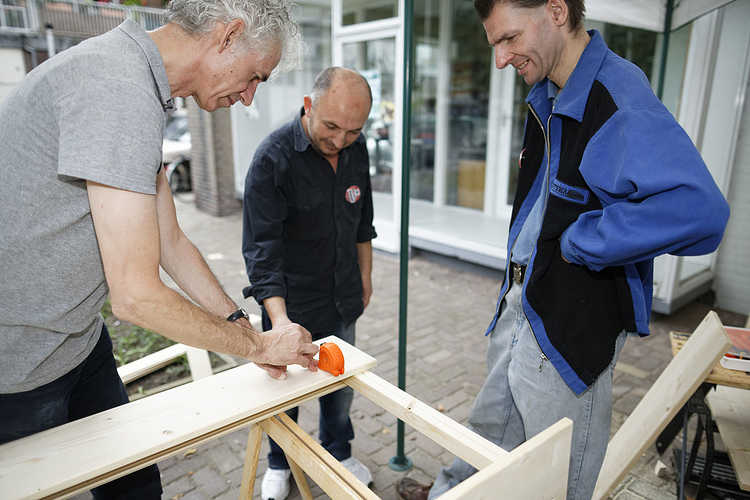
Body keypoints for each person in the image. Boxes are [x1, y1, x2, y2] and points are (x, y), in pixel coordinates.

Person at [396, 1, 730, 499]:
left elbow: (700, 211)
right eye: (495, 44)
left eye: (508, 39)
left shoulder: (617, 98)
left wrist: (585, 241)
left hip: (569, 325)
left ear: (555, 11)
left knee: (558, 476)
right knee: (491, 427)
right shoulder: (550, 88)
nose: (501, 59)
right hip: (521, 300)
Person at [0, 1, 319, 498]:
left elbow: (170, 241)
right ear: (228, 36)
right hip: (19, 361)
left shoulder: (138, 81)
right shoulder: (117, 89)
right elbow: (136, 297)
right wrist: (258, 347)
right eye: (256, 75)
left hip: (78, 342)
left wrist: (243, 329)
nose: (251, 95)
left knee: (135, 488)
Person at [242, 66, 377, 500]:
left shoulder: (359, 151)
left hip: (342, 298)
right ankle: (281, 464)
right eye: (331, 126)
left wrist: (366, 279)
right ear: (308, 105)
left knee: (339, 388)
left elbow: (363, 225)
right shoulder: (272, 160)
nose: (340, 141)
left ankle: (338, 452)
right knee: (286, 393)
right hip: (290, 306)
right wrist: (278, 322)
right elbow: (262, 251)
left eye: (352, 131)